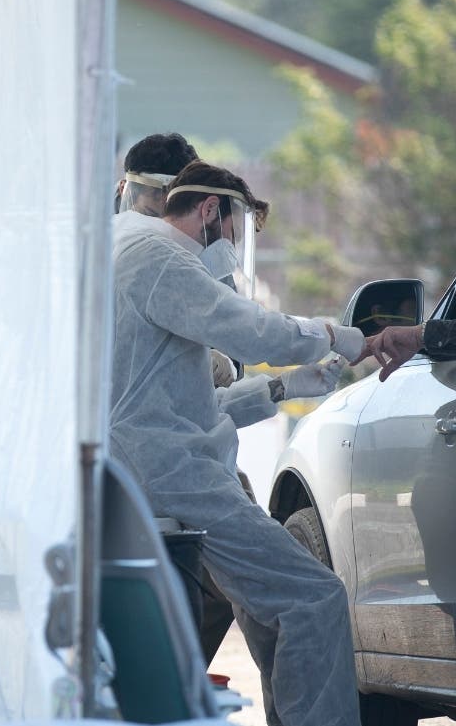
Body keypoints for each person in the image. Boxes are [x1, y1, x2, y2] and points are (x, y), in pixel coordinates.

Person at [110, 149, 366, 726]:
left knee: (264, 609)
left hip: (147, 468)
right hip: (178, 479)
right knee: (313, 600)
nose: (233, 247)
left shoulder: (119, 245)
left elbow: (180, 406)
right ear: (207, 211)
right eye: (235, 228)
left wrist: (284, 388)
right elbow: (250, 331)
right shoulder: (161, 257)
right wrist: (336, 336)